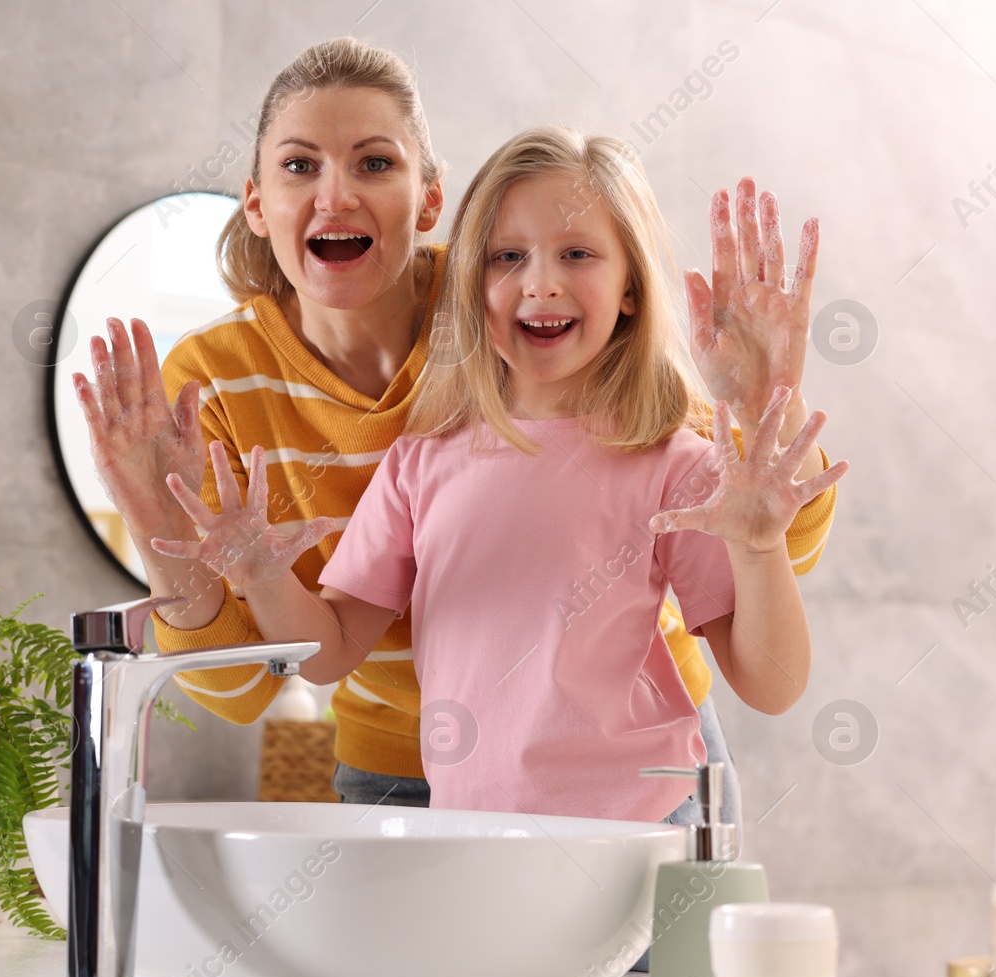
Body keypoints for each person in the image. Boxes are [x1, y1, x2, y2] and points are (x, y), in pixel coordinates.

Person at [71, 38, 838, 831]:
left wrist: (764, 415)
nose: (539, 281)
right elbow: (297, 663)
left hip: (650, 808)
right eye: (301, 165)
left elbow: (768, 558)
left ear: (430, 201)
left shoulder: (637, 430)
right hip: (446, 798)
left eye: (374, 162)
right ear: (257, 201)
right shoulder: (396, 450)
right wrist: (203, 544)